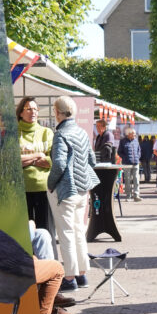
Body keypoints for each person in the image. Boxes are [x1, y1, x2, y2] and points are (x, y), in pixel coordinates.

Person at [47, 96, 97, 291]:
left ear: (57, 113)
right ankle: (82, 275)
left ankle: (69, 278)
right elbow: (91, 160)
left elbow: (58, 164)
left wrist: (50, 183)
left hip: (66, 190)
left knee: (66, 233)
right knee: (78, 232)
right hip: (82, 189)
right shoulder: (82, 132)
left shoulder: (60, 135)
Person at [17, 98, 53, 229]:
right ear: (21, 112)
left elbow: (52, 160)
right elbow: (14, 161)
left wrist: (25, 160)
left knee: (43, 229)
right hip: (21, 188)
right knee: (25, 230)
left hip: (42, 188)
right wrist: (37, 156)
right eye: (29, 109)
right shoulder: (13, 133)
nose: (33, 112)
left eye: (35, 109)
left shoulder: (46, 132)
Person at [118, 127, 142, 201]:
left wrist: (138, 157)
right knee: (127, 180)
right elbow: (119, 152)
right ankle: (128, 196)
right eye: (133, 134)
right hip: (127, 163)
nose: (134, 135)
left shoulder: (136, 141)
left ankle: (136, 195)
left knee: (136, 179)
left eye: (135, 134)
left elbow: (139, 150)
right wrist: (125, 158)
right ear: (128, 134)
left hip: (136, 163)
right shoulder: (123, 141)